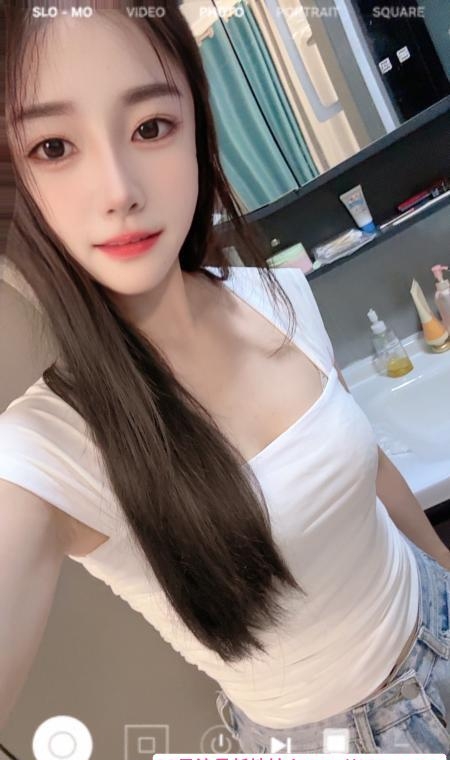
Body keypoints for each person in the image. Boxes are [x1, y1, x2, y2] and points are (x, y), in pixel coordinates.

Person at [1, 1, 450, 752]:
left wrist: (442, 564)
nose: (118, 189)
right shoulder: (44, 448)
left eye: (151, 127)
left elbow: (371, 466)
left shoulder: (276, 293)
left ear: (197, 129)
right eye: (53, 147)